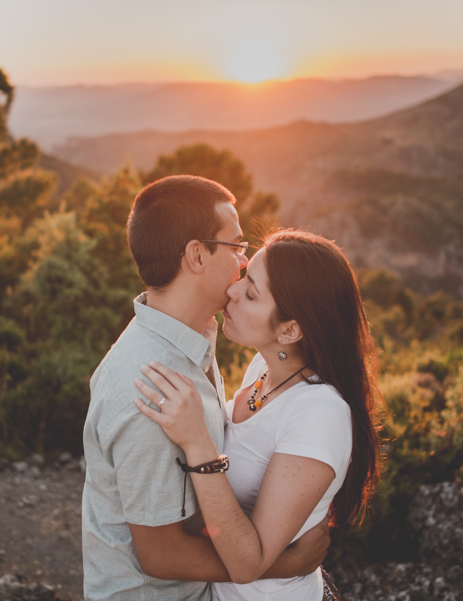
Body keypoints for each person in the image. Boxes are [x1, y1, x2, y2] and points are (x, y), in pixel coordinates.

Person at [81, 176, 328, 601]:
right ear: (197, 255)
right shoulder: (150, 384)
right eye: (236, 247)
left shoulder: (190, 340)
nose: (243, 263)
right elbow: (160, 553)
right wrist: (287, 562)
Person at [135, 228, 381, 600]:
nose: (232, 291)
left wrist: (198, 441)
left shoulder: (319, 414)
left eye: (251, 293)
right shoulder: (262, 370)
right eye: (245, 275)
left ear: (290, 330)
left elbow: (248, 563)